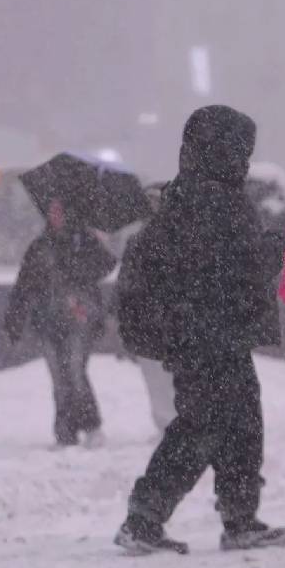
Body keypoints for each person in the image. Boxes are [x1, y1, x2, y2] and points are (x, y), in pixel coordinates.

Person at [113, 105, 285, 555]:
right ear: (224, 150)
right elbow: (238, 266)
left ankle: (238, 518)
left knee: (235, 423)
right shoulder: (215, 201)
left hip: (202, 333)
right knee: (204, 426)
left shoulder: (188, 193)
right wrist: (280, 244)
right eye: (242, 151)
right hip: (209, 334)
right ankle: (147, 518)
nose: (246, 161)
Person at [5, 199, 115, 447]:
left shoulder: (83, 241)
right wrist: (14, 319)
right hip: (48, 321)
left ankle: (90, 424)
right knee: (59, 377)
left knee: (74, 371)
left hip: (78, 318)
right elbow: (23, 286)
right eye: (51, 211)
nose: (55, 215)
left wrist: (84, 250)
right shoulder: (40, 246)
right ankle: (66, 430)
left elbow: (106, 264)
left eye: (59, 210)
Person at [120, 182, 177, 433]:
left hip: (165, 319)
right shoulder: (136, 241)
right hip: (147, 319)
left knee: (167, 376)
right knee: (155, 376)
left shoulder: (178, 238)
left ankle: (174, 421)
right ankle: (167, 423)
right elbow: (125, 282)